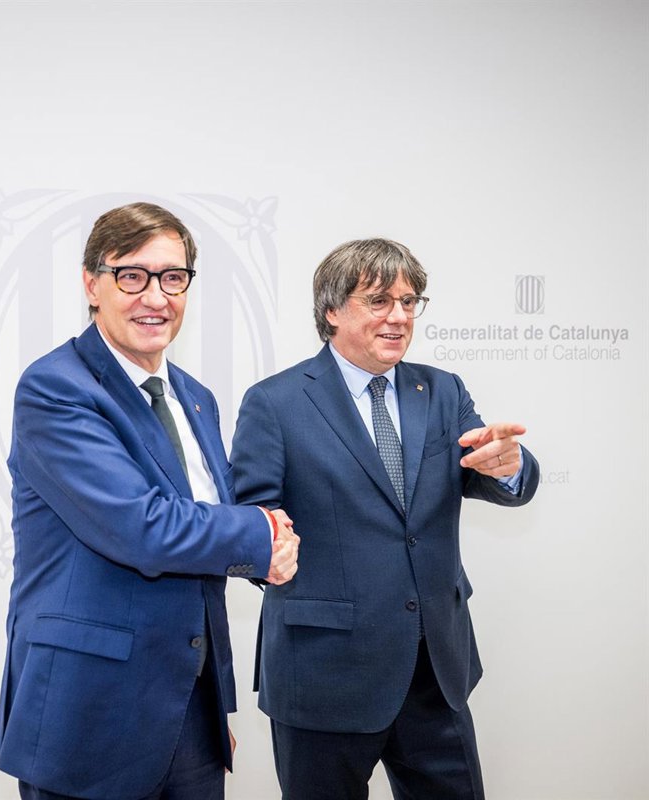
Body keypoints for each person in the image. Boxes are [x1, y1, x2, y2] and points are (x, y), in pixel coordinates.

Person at [0, 202, 300, 800]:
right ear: (92, 284)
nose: (155, 297)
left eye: (172, 277)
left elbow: (210, 522)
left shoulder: (195, 396)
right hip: (88, 713)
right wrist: (261, 536)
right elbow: (141, 526)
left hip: (189, 712)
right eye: (131, 276)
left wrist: (211, 712)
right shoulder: (56, 388)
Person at [230, 238, 540, 799]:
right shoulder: (275, 402)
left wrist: (509, 466)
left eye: (409, 301)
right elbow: (253, 516)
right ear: (332, 309)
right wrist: (266, 547)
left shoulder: (442, 390)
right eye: (379, 301)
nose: (399, 316)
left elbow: (485, 468)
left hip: (434, 669)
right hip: (324, 672)